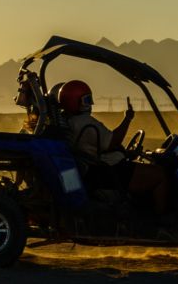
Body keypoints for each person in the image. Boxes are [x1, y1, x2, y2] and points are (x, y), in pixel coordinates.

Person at [56, 80, 170, 214]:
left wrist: (127, 153)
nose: (90, 103)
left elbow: (104, 147)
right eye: (86, 99)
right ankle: (162, 222)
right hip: (109, 171)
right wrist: (127, 119)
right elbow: (112, 142)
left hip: (99, 167)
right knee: (161, 174)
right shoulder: (83, 122)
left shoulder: (70, 122)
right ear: (75, 101)